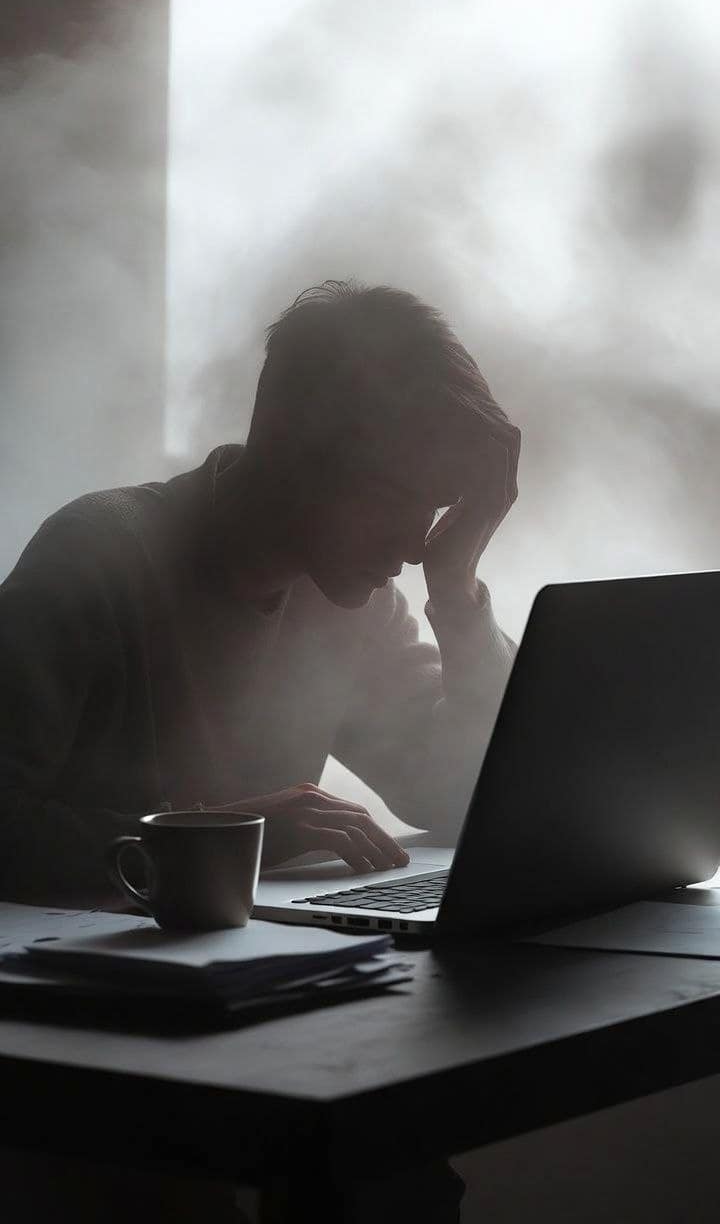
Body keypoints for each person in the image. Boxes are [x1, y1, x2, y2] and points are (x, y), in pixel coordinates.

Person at [0, 279, 520, 1221]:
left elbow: (467, 788)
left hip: (245, 1008)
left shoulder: (352, 603)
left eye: (439, 510)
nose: (415, 542)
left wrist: (459, 590)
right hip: (74, 1054)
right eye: (400, 500)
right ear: (296, 448)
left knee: (392, 1165)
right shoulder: (98, 555)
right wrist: (223, 836)